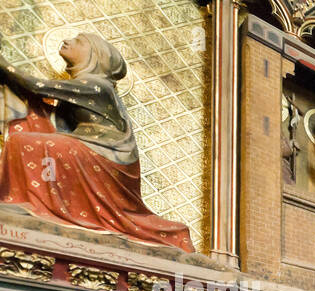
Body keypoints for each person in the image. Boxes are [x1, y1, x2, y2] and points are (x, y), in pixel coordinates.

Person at [0, 34, 195, 250]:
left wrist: (3, 65)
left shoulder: (95, 85)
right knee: (26, 138)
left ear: (93, 56)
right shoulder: (87, 86)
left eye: (79, 41)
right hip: (88, 145)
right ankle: (38, 204)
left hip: (105, 153)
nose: (67, 41)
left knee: (24, 142)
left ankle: (37, 204)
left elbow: (35, 86)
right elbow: (52, 115)